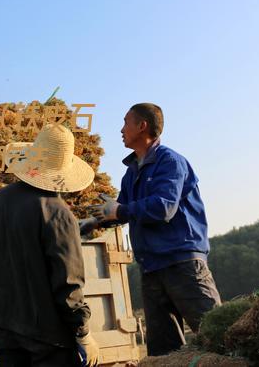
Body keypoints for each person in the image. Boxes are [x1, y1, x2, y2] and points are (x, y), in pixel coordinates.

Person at [92, 103, 221, 356]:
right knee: (164, 353)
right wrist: (94, 219)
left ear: (142, 126)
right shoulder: (131, 173)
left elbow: (163, 208)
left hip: (182, 264)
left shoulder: (170, 162)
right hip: (151, 268)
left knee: (218, 337)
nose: (121, 129)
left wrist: (118, 211)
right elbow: (122, 210)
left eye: (126, 122)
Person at [0, 123, 101, 367]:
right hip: (47, 338)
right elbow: (68, 285)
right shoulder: (58, 214)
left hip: (4, 331)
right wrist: (83, 333)